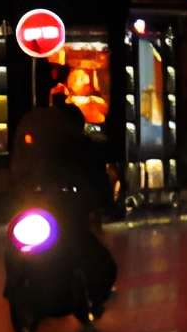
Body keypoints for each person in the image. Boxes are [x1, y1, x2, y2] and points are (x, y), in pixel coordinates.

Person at [9, 100, 118, 294]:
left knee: (80, 241)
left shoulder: (77, 148)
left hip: (57, 203)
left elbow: (93, 175)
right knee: (15, 243)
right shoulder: (47, 139)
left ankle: (85, 288)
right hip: (37, 202)